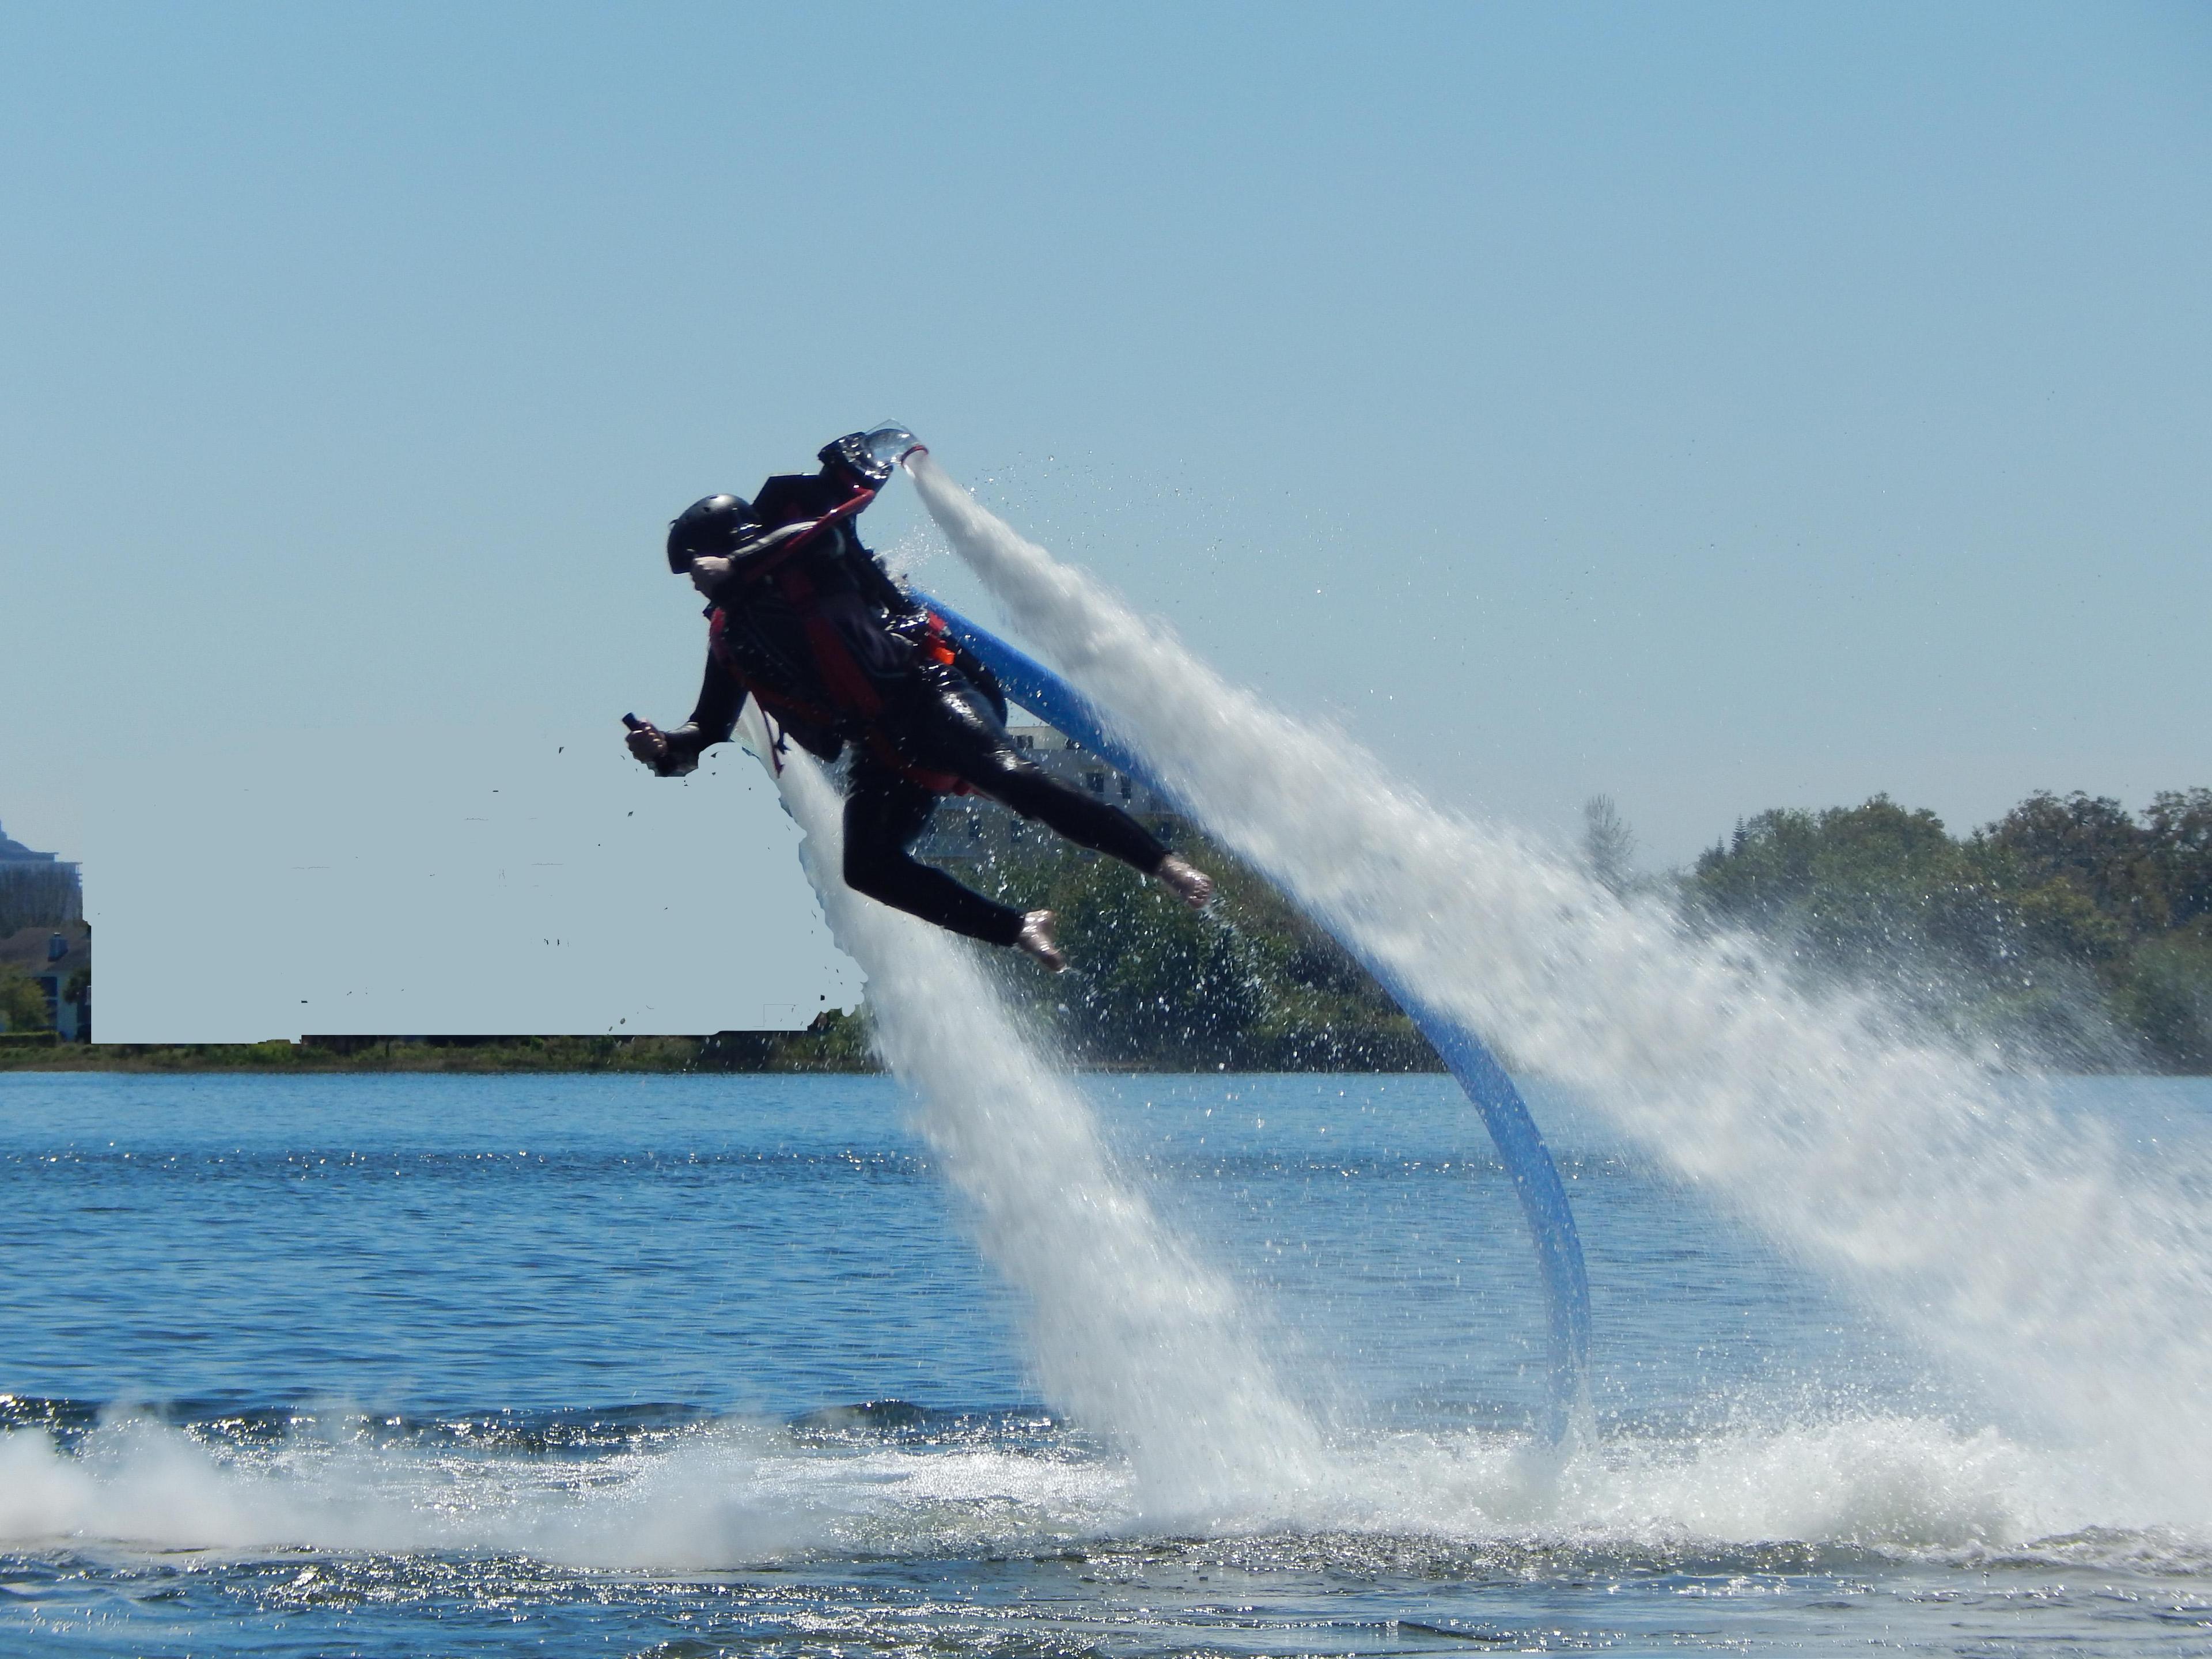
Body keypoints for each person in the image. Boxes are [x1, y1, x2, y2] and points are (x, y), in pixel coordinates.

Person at [624, 426, 1213, 970]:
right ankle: (1017, 928)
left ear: (729, 545)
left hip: (930, 689)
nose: (697, 582)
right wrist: (665, 748)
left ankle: (1163, 865)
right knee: (868, 867)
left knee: (1008, 775)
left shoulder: (817, 556)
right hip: (881, 743)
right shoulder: (732, 633)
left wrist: (738, 564)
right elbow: (704, 731)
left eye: (699, 565)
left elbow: (818, 528)